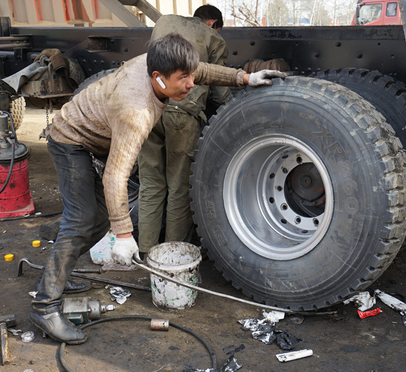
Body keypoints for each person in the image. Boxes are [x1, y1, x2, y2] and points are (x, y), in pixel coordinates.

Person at [29, 33, 287, 345]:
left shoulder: (162, 66)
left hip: (93, 138)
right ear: (158, 78)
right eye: (183, 79)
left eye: (190, 76)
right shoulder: (136, 112)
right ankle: (45, 306)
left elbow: (199, 70)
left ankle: (60, 272)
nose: (191, 84)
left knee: (96, 219)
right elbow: (115, 177)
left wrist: (244, 77)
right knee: (82, 220)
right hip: (71, 140)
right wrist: (124, 234)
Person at [137, 5, 231, 255]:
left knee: (151, 183)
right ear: (212, 23)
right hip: (182, 114)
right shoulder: (214, 38)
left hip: (149, 108)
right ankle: (171, 254)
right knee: (179, 187)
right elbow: (220, 94)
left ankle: (146, 250)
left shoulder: (164, 22)